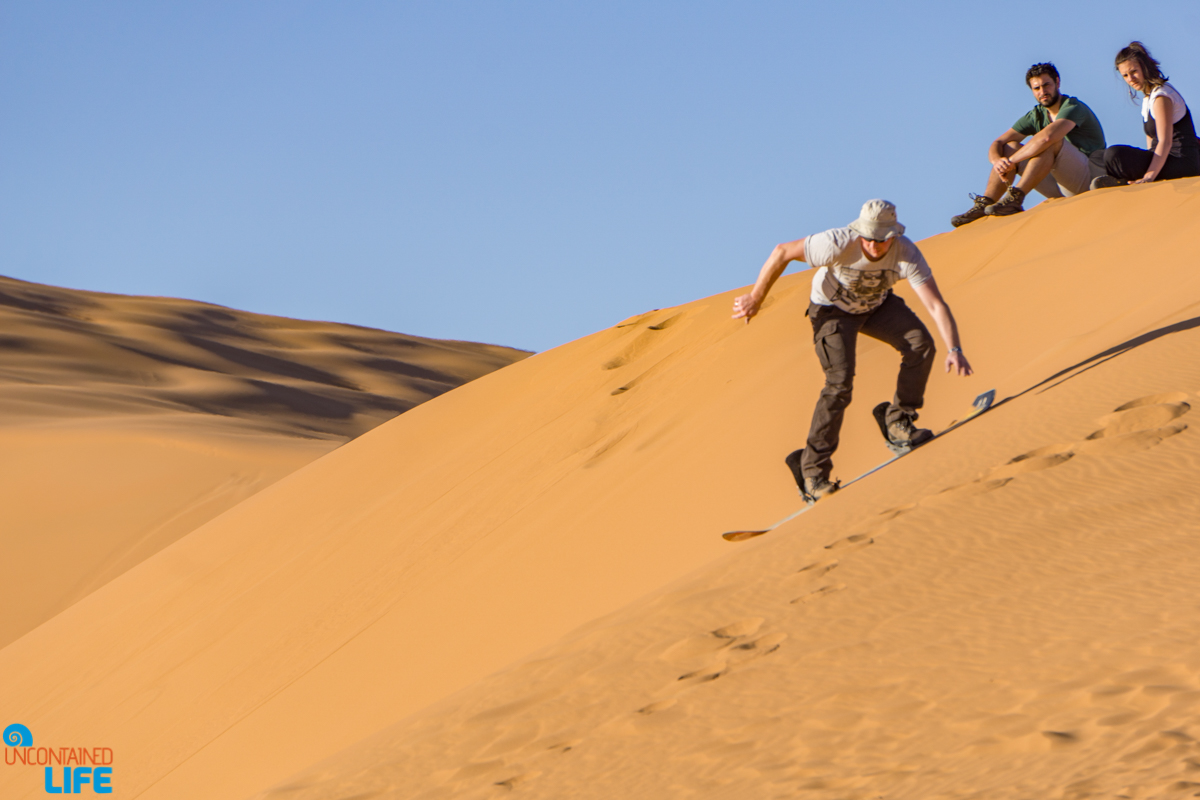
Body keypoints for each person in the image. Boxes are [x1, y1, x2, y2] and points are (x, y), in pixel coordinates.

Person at [732, 200, 974, 502]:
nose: (874, 245)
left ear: (893, 236)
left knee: (920, 345)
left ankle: (897, 421)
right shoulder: (836, 242)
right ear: (860, 233)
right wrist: (756, 297)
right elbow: (782, 251)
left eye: (881, 239)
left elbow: (936, 304)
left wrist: (955, 348)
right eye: (869, 238)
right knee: (839, 382)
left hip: (876, 305)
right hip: (831, 311)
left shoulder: (906, 252)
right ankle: (812, 472)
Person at [951, 63, 1106, 227]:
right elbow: (998, 142)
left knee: (1050, 142)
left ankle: (1015, 198)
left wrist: (1012, 161)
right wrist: (998, 161)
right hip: (1059, 185)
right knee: (1009, 147)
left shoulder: (1073, 107)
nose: (1042, 92)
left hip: (1088, 180)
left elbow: (1047, 138)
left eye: (1046, 85)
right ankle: (984, 205)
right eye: (1036, 88)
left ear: (1057, 83)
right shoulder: (1037, 115)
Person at [1089, 42, 1200, 189]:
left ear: (1144, 67)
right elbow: (1151, 144)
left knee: (1114, 154)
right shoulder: (1148, 99)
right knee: (1097, 157)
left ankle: (1120, 184)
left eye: (1134, 71)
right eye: (1125, 75)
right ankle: (1116, 182)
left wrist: (1148, 177)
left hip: (1181, 161)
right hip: (1162, 159)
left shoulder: (1162, 96)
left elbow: (1165, 141)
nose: (1131, 79)